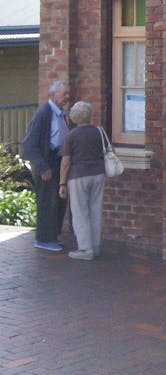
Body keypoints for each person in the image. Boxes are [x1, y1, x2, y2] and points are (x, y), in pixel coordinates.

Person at [22, 80, 71, 252]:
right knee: (47, 202)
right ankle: (44, 239)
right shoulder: (43, 113)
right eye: (63, 94)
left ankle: (53, 236)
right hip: (47, 162)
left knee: (58, 201)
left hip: (58, 162)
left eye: (67, 93)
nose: (67, 97)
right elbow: (29, 145)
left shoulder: (61, 113)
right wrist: (42, 167)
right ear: (52, 95)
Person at [58, 101, 106, 261]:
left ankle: (85, 249)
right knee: (95, 210)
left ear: (74, 116)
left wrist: (62, 183)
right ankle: (96, 246)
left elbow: (65, 162)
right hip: (98, 174)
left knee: (80, 213)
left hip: (78, 176)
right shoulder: (99, 132)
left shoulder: (71, 136)